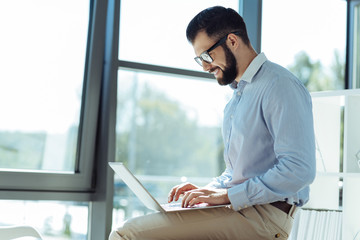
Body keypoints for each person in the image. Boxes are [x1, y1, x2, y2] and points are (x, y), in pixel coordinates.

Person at [109, 6, 316, 240]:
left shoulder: (279, 85)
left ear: (232, 41)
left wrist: (227, 196)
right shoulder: (237, 99)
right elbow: (236, 173)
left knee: (128, 234)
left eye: (207, 56)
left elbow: (299, 169)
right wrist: (208, 190)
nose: (206, 66)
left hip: (264, 218)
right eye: (200, 59)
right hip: (238, 210)